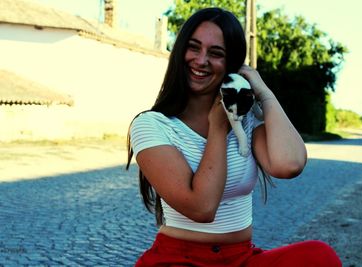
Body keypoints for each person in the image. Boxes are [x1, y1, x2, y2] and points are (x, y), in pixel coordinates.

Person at [126, 7, 342, 267]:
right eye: (194, 47)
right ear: (180, 51)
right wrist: (218, 127)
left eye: (216, 53)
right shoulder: (152, 125)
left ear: (231, 65)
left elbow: (290, 164)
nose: (201, 60)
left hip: (240, 258)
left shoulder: (247, 120)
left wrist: (264, 93)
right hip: (178, 260)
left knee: (318, 256)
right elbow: (202, 208)